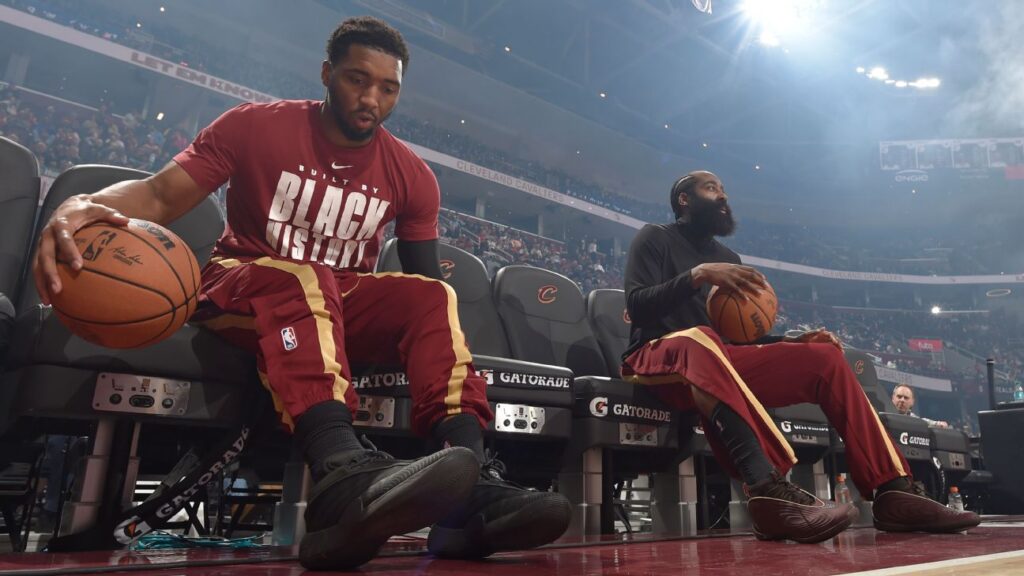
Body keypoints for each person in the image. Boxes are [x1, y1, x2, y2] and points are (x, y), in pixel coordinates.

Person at [32, 16, 569, 570]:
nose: (372, 99)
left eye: (388, 88)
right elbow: (159, 195)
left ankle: (469, 489)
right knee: (302, 276)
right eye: (358, 79)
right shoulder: (254, 126)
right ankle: (339, 474)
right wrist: (83, 205)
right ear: (326, 73)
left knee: (434, 297)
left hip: (336, 303)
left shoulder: (412, 175)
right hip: (242, 284)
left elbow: (424, 281)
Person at [621, 170, 979, 543]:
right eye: (711, 188)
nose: (723, 195)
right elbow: (637, 305)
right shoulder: (655, 238)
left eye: (724, 189)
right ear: (684, 199)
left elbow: (736, 340)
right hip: (654, 358)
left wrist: (790, 340)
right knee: (700, 339)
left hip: (716, 360)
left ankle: (895, 490)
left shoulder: (728, 258)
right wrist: (697, 275)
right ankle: (767, 489)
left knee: (824, 357)